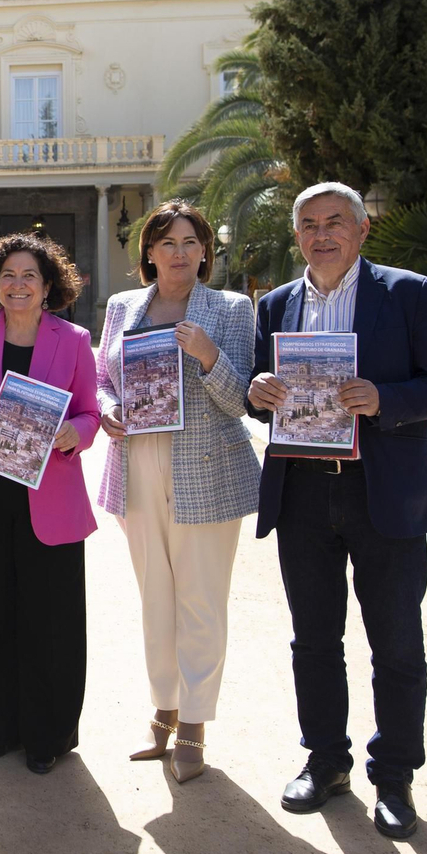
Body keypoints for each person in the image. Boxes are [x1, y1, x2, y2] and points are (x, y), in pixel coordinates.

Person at [247, 181, 427, 840]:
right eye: (310, 224)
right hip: (303, 494)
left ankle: (394, 776)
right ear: (297, 236)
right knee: (313, 639)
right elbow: (259, 392)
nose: (322, 234)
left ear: (362, 229)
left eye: (335, 221)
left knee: (396, 642)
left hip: (383, 493)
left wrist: (385, 398)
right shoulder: (276, 304)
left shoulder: (407, 293)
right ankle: (325, 761)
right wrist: (259, 391)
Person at [95, 202, 260, 783]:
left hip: (207, 469)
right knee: (155, 598)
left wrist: (209, 356)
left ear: (205, 251)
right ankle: (162, 710)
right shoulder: (123, 307)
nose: (180, 253)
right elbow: (102, 377)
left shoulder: (232, 309)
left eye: (191, 242)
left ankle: (194, 723)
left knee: (200, 603)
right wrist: (109, 409)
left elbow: (243, 400)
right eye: (168, 242)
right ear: (149, 251)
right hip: (137, 463)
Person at [0, 233, 101, 775]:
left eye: (29, 275)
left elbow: (90, 413)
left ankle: (47, 734)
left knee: (51, 621)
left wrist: (74, 434)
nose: (18, 284)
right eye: (8, 275)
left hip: (51, 499)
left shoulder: (74, 339)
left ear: (48, 284)